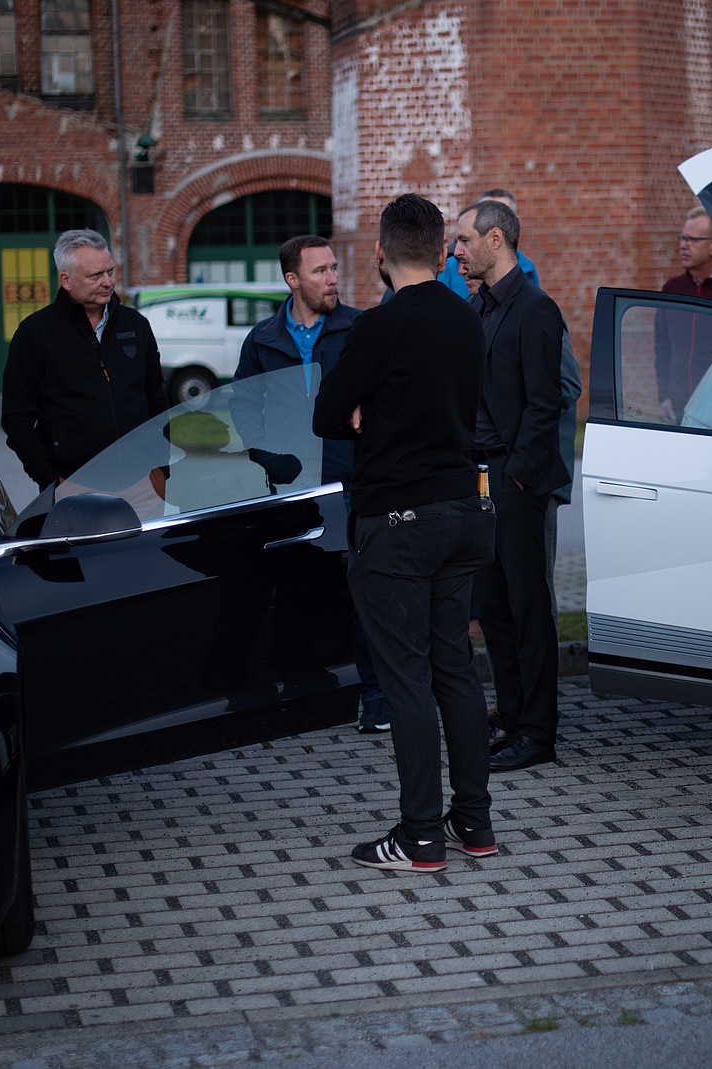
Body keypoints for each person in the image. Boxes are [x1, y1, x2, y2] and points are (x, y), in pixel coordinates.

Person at [312, 193, 496, 874]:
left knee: (407, 678)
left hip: (398, 521)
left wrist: (365, 407)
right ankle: (473, 820)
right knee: (455, 669)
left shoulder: (379, 325)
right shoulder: (466, 316)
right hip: (461, 511)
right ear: (442, 250)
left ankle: (420, 834)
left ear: (381, 252)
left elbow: (327, 414)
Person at [227, 235, 390, 731]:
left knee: (363, 593)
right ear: (292, 280)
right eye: (320, 271)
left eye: (334, 268)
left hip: (351, 483)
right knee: (296, 590)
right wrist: (264, 456)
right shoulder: (262, 339)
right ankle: (306, 692)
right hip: (290, 489)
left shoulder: (360, 327)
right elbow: (242, 404)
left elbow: (385, 391)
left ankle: (375, 697)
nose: (333, 279)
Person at [453, 199, 569, 773]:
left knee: (528, 608)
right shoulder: (477, 307)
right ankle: (515, 717)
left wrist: (518, 474)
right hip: (477, 475)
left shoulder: (536, 308)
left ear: (495, 239)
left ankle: (539, 734)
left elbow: (547, 403)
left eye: (463, 240)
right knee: (494, 607)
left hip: (514, 478)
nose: (455, 251)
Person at [2, 229, 168, 493]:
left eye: (110, 272)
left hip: (144, 484)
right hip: (74, 486)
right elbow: (16, 418)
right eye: (95, 275)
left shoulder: (136, 325)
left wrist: (161, 468)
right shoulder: (35, 333)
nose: (107, 282)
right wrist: (50, 481)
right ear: (66, 280)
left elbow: (157, 400)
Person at [654, 207, 712, 423]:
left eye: (692, 240)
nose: (683, 245)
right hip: (678, 406)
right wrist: (664, 397)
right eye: (682, 238)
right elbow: (662, 347)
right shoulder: (672, 290)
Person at [439, 188, 539, 299]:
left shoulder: (527, 267)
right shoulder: (449, 266)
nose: (495, 221)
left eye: (502, 214)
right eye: (486, 214)